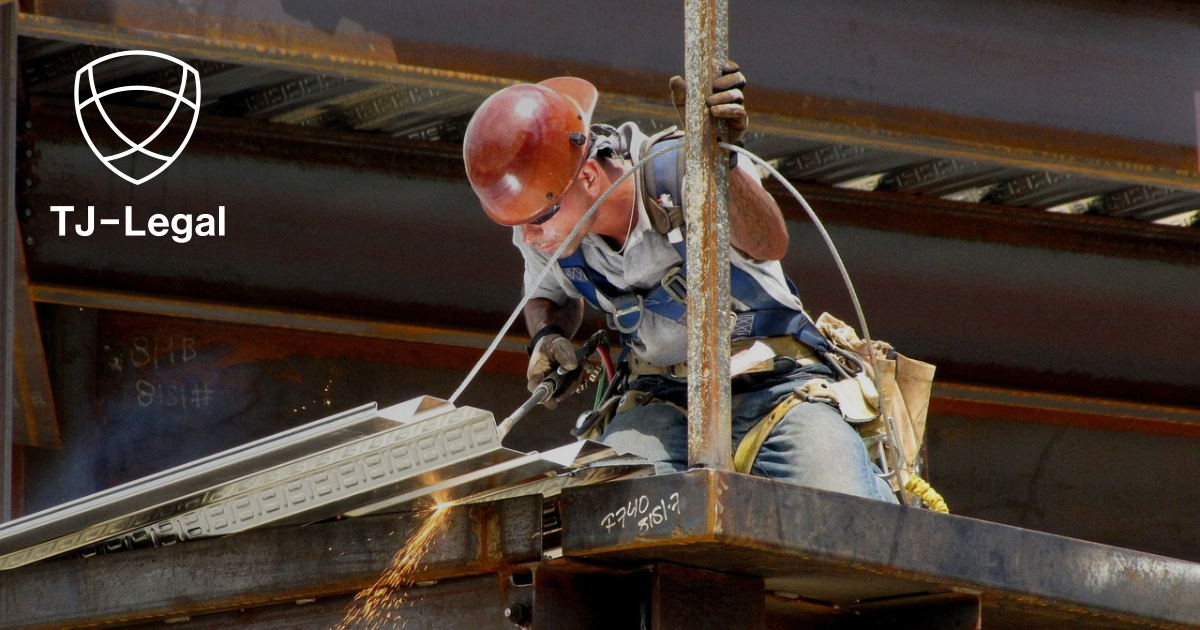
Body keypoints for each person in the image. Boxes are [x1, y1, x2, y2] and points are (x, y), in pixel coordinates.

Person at [462, 65, 896, 502]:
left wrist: (718, 165)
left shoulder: (686, 170)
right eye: (518, 224)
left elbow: (769, 242)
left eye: (537, 220)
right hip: (658, 398)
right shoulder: (546, 222)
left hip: (775, 385)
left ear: (589, 177)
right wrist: (548, 335)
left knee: (846, 514)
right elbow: (550, 293)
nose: (530, 236)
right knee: (604, 510)